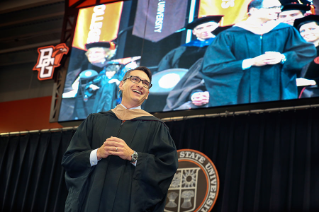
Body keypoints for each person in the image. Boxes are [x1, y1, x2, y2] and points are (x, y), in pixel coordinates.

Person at [61, 66, 178, 212]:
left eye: (145, 83)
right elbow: (70, 160)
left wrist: (133, 156)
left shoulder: (156, 128)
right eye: (135, 79)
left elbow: (166, 167)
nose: (140, 85)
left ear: (147, 94)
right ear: (121, 85)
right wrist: (97, 153)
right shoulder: (94, 121)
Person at [201, 0, 316, 107]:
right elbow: (212, 67)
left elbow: (306, 52)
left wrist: (282, 57)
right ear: (254, 11)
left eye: (278, 7)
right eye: (272, 7)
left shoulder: (285, 30)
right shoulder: (229, 35)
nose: (278, 10)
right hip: (242, 96)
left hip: (278, 93)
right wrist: (251, 62)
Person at [156, 15, 223, 73]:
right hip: (187, 84)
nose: (205, 30)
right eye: (200, 28)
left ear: (217, 26)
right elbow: (163, 70)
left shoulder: (225, 44)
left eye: (209, 26)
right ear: (194, 32)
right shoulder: (181, 50)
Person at [294, 15, 319, 97]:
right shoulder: (298, 53)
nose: (307, 33)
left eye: (312, 29)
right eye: (302, 31)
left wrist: (312, 82)